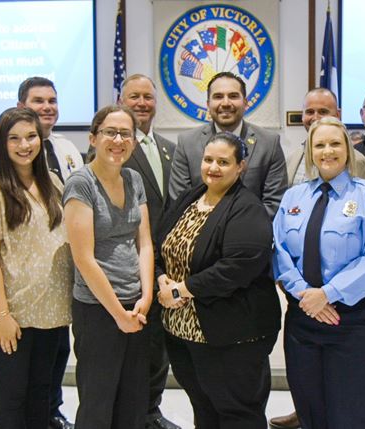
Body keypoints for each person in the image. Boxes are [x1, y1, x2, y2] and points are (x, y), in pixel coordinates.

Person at [273, 117, 365, 428]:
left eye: (335, 143)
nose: (328, 151)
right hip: (303, 318)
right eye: (320, 144)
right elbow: (279, 251)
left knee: (349, 412)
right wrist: (305, 294)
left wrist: (328, 294)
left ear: (349, 148)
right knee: (309, 407)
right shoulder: (293, 197)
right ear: (311, 151)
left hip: (351, 320)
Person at [156, 131, 281, 428]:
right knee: (204, 407)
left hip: (232, 334)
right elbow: (161, 244)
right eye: (208, 159)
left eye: (223, 162)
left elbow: (238, 266)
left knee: (238, 413)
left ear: (240, 167)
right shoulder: (190, 197)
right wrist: (161, 278)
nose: (213, 167)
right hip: (184, 333)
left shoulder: (247, 208)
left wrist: (183, 289)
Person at [0, 76, 82, 429]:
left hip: (51, 313)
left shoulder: (52, 183)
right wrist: (3, 315)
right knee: (14, 396)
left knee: (42, 394)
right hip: (14, 316)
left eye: (31, 137)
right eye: (14, 138)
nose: (24, 145)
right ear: (1, 143)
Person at [64, 105, 154, 428]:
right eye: (110, 132)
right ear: (93, 138)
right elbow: (84, 259)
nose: (118, 140)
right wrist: (119, 314)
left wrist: (146, 296)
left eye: (125, 133)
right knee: (98, 403)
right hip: (98, 310)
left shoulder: (133, 178)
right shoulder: (81, 183)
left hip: (136, 307)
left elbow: (144, 242)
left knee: (133, 401)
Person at [118, 73, 180, 429]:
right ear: (121, 100)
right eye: (134, 96)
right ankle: (133, 415)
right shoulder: (114, 148)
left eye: (148, 97)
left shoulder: (170, 148)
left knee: (159, 347)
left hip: (165, 267)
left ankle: (150, 412)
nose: (142, 103)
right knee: (135, 350)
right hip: (129, 266)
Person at [169, 72, 287, 217]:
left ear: (245, 103)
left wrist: (235, 229)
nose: (225, 103)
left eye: (233, 96)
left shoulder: (269, 143)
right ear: (208, 104)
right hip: (199, 234)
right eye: (218, 97)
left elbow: (274, 203)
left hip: (251, 233)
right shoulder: (186, 143)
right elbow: (181, 200)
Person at [285, 88, 365, 186]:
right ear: (303, 115)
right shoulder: (292, 158)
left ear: (337, 115)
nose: (315, 118)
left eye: (323, 112)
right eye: (309, 112)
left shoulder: (357, 161)